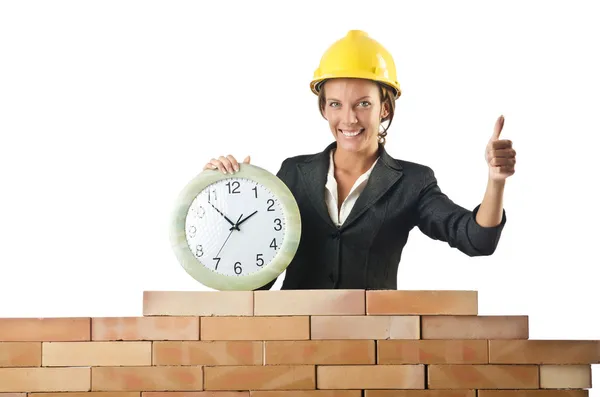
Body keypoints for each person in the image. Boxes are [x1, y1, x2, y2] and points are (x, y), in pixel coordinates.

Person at [203, 30, 516, 290]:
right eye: (336, 104)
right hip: (295, 342)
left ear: (385, 109)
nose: (349, 118)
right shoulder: (293, 174)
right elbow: (257, 279)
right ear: (324, 108)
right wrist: (217, 196)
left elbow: (478, 240)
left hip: (374, 347)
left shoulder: (412, 183)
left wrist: (496, 181)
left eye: (363, 103)